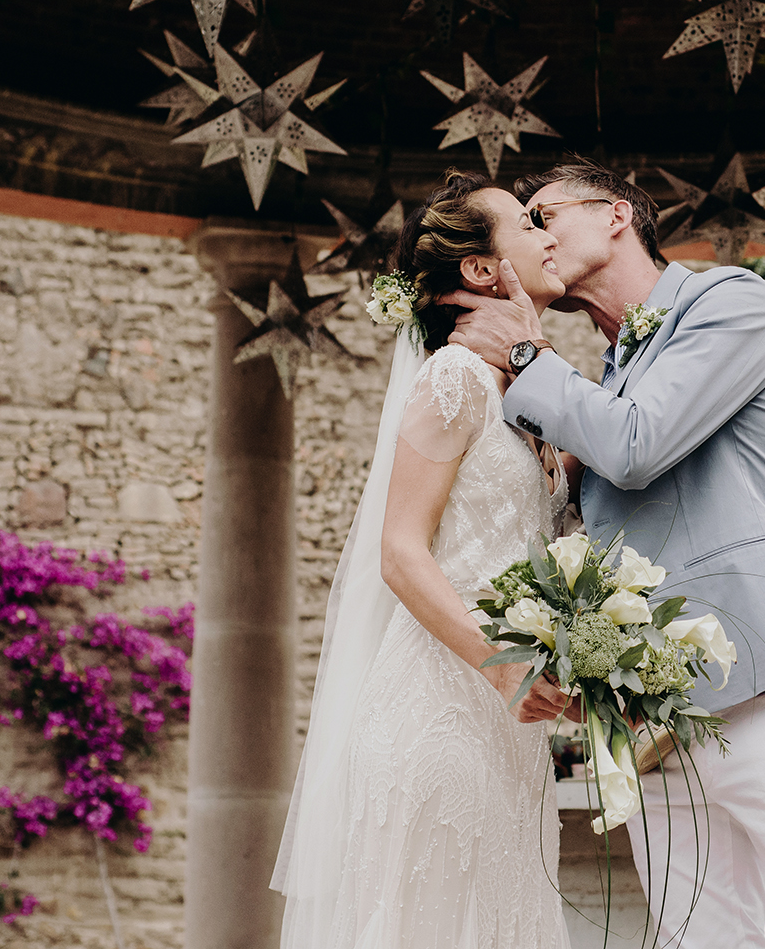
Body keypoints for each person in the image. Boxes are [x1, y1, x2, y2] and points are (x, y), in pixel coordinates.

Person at [445, 158, 765, 948]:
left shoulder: (730, 301)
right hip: (650, 720)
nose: (537, 240)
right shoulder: (597, 383)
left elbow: (638, 445)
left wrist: (524, 356)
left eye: (545, 216)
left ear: (617, 212)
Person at [271, 169, 577, 949]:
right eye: (529, 224)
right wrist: (503, 663)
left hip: (512, 737)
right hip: (437, 721)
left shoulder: (530, 396)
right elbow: (401, 554)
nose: (550, 236)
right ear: (479, 269)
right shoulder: (455, 378)